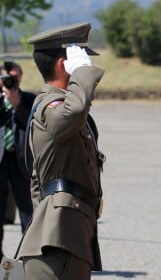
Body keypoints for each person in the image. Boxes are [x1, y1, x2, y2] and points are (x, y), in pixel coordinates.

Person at [16, 23, 106, 280]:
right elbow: (73, 112)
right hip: (58, 241)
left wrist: (42, 220)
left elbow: (37, 181)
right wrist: (82, 75)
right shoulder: (51, 106)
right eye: (80, 63)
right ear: (62, 65)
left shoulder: (59, 109)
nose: (90, 73)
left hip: (63, 235)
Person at [0, 60, 35, 261]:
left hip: (21, 162)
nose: (10, 82)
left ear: (20, 78)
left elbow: (34, 125)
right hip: (1, 161)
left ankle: (29, 258)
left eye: (13, 78)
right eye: (6, 78)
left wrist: (17, 104)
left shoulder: (30, 99)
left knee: (27, 213)